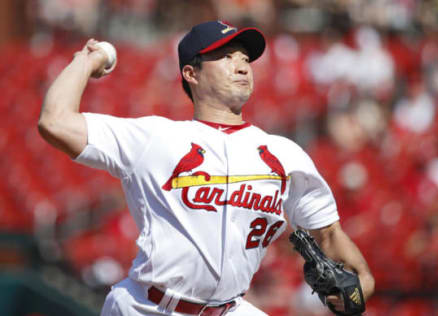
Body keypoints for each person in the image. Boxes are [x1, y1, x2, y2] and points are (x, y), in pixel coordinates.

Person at [38, 21, 374, 316]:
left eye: (245, 58)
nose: (242, 65)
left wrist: (359, 290)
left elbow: (330, 235)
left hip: (230, 308)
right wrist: (86, 60)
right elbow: (55, 122)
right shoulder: (155, 138)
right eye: (226, 56)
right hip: (147, 307)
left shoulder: (285, 154)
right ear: (191, 73)